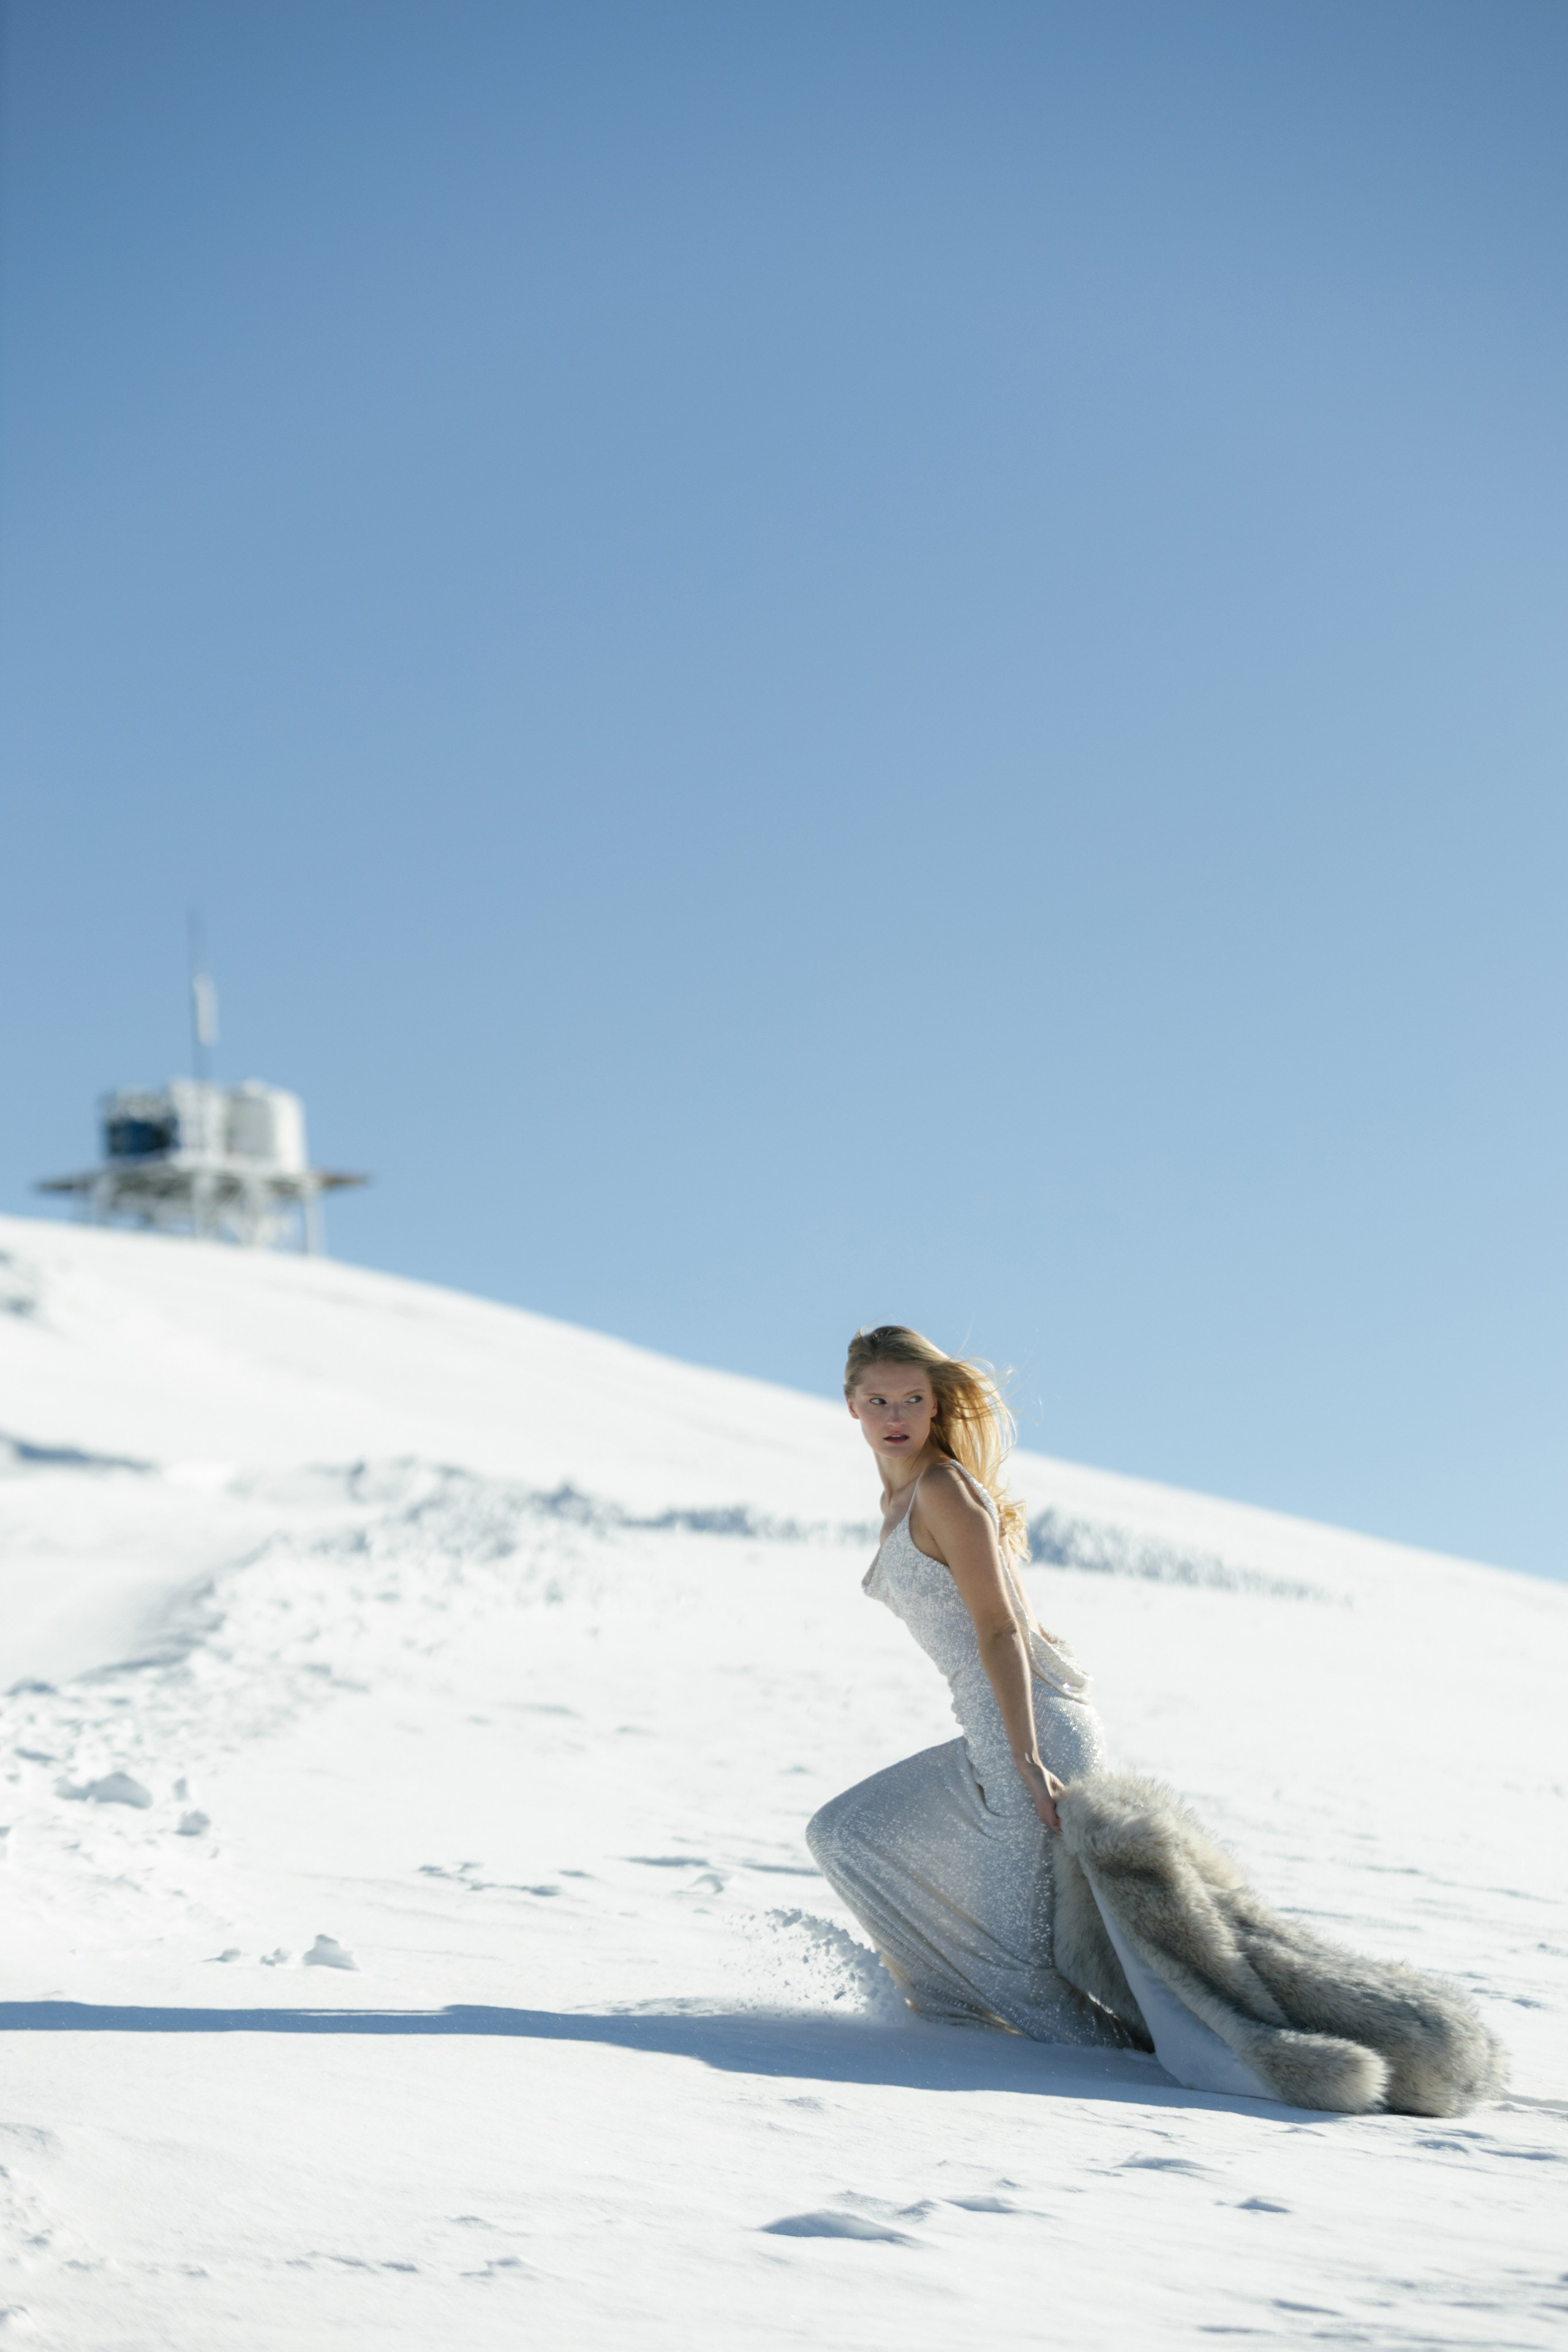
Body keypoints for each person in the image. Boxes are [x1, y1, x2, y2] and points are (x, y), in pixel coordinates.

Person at [806, 1324, 1136, 2048]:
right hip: (995, 1725)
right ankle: (951, 2018)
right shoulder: (898, 1501)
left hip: (1031, 1727)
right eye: (879, 1401)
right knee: (846, 1833)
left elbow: (999, 1630)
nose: (895, 1417)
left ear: (933, 1407)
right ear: (851, 1406)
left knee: (1019, 1972)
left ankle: (1134, 2080)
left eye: (911, 1400)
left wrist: (1024, 1757)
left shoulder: (942, 1490)